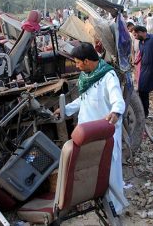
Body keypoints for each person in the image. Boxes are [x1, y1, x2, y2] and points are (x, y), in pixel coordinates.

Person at [54, 42, 127, 215]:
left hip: (104, 133)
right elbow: (83, 100)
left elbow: (118, 98)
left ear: (86, 61)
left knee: (110, 169)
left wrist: (116, 112)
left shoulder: (108, 76)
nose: (76, 66)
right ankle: (97, 200)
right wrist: (65, 110)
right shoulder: (87, 76)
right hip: (87, 133)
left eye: (78, 62)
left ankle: (115, 208)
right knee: (92, 170)